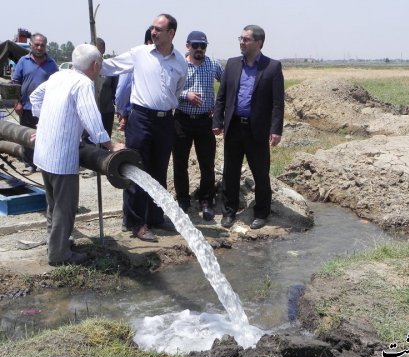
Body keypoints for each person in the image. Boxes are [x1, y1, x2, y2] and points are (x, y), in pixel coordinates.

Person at [30, 44, 125, 266]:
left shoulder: (58, 76)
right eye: (99, 65)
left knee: (53, 204)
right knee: (65, 207)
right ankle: (59, 255)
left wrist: (42, 124)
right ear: (94, 65)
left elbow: (35, 97)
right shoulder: (83, 83)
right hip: (61, 156)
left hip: (44, 152)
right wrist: (110, 145)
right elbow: (90, 117)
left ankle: (56, 243)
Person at [101, 14, 188, 242]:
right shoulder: (139, 54)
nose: (154, 32)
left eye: (159, 29)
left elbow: (176, 91)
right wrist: (90, 60)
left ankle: (156, 217)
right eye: (153, 28)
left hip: (165, 121)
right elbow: (110, 67)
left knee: (159, 171)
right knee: (136, 170)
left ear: (171, 33)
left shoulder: (180, 61)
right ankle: (136, 223)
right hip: (141, 119)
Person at [212, 25, 284, 230]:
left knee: (260, 173)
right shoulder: (233, 64)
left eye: (246, 39)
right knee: (230, 172)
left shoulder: (272, 67)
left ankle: (261, 213)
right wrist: (217, 121)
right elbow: (222, 96)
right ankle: (229, 211)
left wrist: (276, 129)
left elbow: (278, 102)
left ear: (259, 43)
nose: (241, 42)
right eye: (240, 38)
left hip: (258, 130)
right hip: (234, 127)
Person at [173, 31, 223, 221]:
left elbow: (227, 85)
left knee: (207, 164)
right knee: (180, 163)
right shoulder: (179, 65)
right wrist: (186, 95)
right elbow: (168, 90)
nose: (200, 49)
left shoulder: (213, 64)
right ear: (188, 46)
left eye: (203, 46)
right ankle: (183, 200)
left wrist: (219, 110)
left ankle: (206, 200)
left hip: (205, 121)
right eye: (196, 46)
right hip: (182, 120)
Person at [11, 32, 58, 174]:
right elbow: (15, 83)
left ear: (45, 47)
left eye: (42, 45)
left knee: (44, 136)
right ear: (31, 45)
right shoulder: (23, 61)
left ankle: (43, 164)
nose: (39, 47)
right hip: (25, 107)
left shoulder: (51, 64)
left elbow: (57, 85)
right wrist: (16, 102)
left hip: (45, 109)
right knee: (26, 137)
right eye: (37, 44)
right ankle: (29, 164)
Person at [115, 27, 153, 132]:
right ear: (149, 42)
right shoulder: (135, 58)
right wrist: (124, 113)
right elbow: (122, 90)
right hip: (136, 117)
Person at [82, 37, 118, 142]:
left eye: (100, 52)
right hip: (88, 112)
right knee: (88, 143)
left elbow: (115, 91)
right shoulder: (83, 68)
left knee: (104, 142)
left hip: (106, 112)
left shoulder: (110, 69)